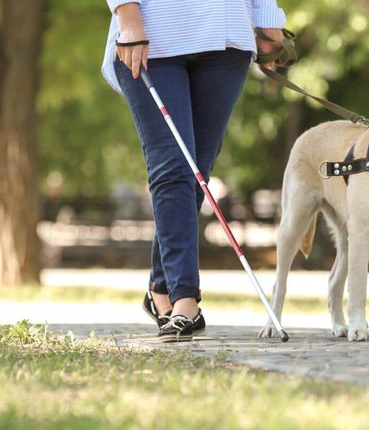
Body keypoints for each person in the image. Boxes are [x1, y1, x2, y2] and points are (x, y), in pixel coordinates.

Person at [101, 1, 287, 342]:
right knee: (173, 168)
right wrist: (128, 20)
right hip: (153, 34)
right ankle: (185, 302)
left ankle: (161, 287)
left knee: (195, 174)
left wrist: (270, 24)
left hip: (226, 36)